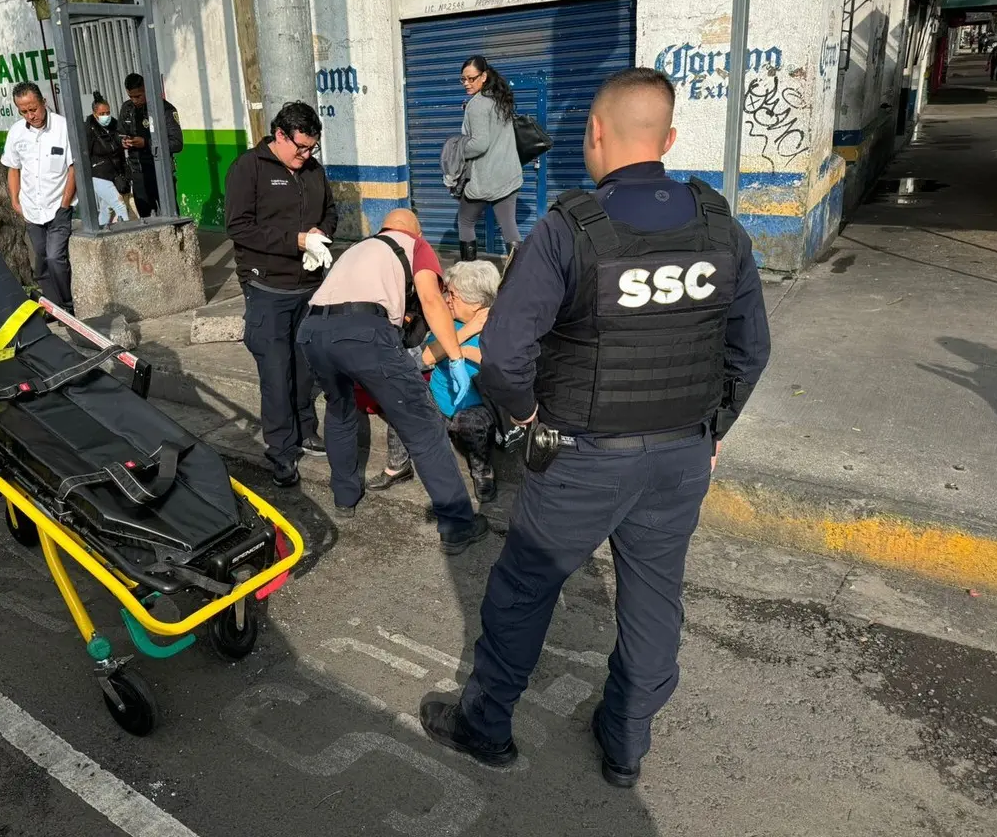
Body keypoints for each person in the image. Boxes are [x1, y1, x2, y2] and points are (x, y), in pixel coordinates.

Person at [418, 67, 771, 782]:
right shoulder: (719, 226)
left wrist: (526, 422)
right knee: (653, 599)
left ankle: (487, 727)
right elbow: (750, 349)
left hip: (579, 455)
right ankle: (626, 745)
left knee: (523, 590)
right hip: (679, 459)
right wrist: (713, 431)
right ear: (668, 140)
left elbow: (506, 359)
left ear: (594, 136)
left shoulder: (566, 230)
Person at [299, 209, 492, 555]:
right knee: (424, 425)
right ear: (415, 231)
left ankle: (345, 498)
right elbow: (431, 301)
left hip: (312, 330)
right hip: (364, 333)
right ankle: (458, 525)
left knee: (340, 410)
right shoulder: (416, 246)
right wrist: (457, 357)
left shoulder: (361, 247)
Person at [225, 101, 336, 486]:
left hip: (309, 287)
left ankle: (306, 430)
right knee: (276, 372)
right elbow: (239, 228)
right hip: (267, 288)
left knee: (306, 368)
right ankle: (281, 450)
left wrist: (320, 237)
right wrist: (296, 241)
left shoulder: (314, 171)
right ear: (280, 136)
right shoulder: (249, 168)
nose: (306, 156)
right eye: (300, 148)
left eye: (312, 149)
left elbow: (331, 213)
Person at [371, 260, 502, 503]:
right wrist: (467, 331)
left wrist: (460, 351)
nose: (447, 299)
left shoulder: (498, 326)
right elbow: (427, 357)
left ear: (477, 302)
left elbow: (497, 363)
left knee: (472, 423)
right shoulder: (448, 319)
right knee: (402, 403)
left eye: (454, 295)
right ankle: (398, 466)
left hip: (474, 408)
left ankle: (482, 471)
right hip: (438, 401)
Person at [2, 81, 76, 311]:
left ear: (43, 102)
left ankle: (69, 304)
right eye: (24, 111)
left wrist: (65, 202)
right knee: (42, 260)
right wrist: (15, 201)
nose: (30, 115)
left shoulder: (63, 128)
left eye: (33, 109)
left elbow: (73, 168)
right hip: (31, 209)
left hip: (58, 207)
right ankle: (54, 307)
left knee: (55, 257)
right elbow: (13, 168)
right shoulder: (16, 132)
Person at [456, 55, 524, 262]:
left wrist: (458, 150)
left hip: (485, 178)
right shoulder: (499, 99)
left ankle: (468, 275)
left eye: (472, 78)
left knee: (465, 222)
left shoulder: (477, 105)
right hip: (508, 176)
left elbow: (479, 144)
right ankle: (519, 276)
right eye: (463, 79)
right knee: (509, 227)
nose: (467, 83)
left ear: (484, 76)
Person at [119, 73, 183, 218]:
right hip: (138, 173)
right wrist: (123, 142)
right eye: (131, 97)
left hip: (160, 171)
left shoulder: (164, 109)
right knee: (146, 220)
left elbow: (177, 143)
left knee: (170, 216)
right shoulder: (127, 109)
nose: (135, 100)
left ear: (147, 90)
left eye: (138, 96)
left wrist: (146, 143)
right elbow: (120, 133)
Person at [84, 93, 132, 226]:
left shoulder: (115, 124)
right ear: (95, 114)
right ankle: (127, 235)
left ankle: (102, 232)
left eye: (108, 112)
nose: (106, 116)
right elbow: (85, 153)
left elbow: (119, 142)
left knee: (106, 208)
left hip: (115, 173)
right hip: (98, 174)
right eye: (102, 113)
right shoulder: (89, 129)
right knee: (119, 205)